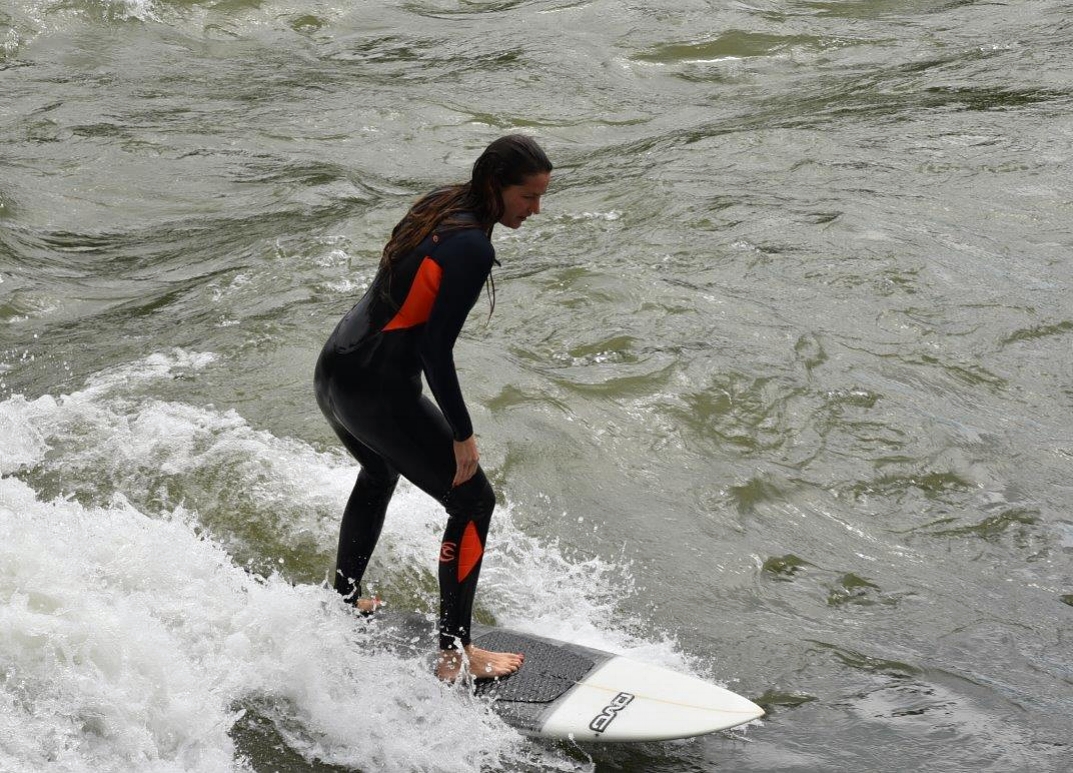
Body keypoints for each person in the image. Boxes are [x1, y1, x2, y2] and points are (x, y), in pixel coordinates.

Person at [314, 135, 552, 681]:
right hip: (376, 389)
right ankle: (456, 655)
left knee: (378, 472)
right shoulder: (472, 247)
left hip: (337, 369)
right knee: (473, 501)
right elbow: (433, 349)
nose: (536, 210)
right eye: (528, 197)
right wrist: (462, 434)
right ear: (496, 187)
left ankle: (343, 602)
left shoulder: (440, 203)